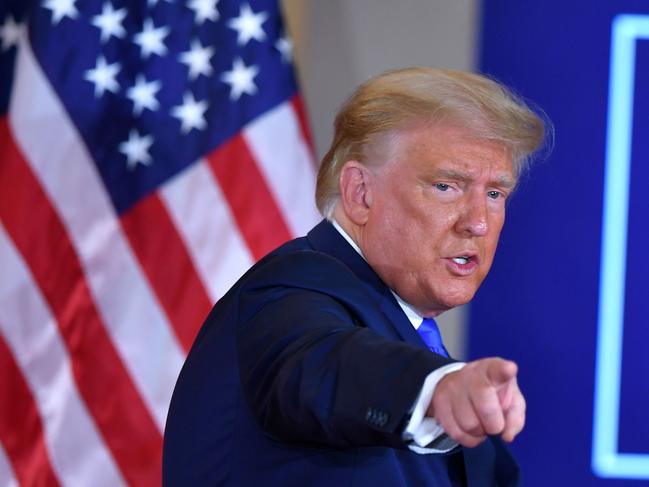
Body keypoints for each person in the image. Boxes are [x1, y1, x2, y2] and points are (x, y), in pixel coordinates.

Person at [162, 67, 548, 486]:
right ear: (360, 193)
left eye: (495, 194)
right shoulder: (290, 289)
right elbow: (324, 363)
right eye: (446, 186)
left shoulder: (426, 354)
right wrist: (433, 391)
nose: (477, 223)